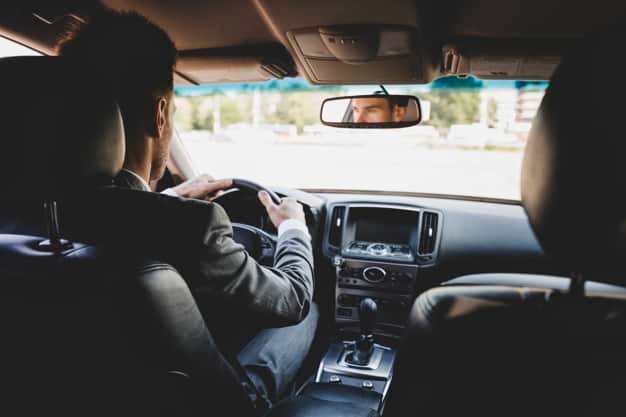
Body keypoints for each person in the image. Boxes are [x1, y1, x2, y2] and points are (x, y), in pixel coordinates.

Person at [56, 9, 318, 406]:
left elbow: (110, 216)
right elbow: (291, 299)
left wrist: (169, 200)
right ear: (160, 116)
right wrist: (293, 229)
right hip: (205, 403)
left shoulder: (23, 213)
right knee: (311, 310)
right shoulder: (191, 227)